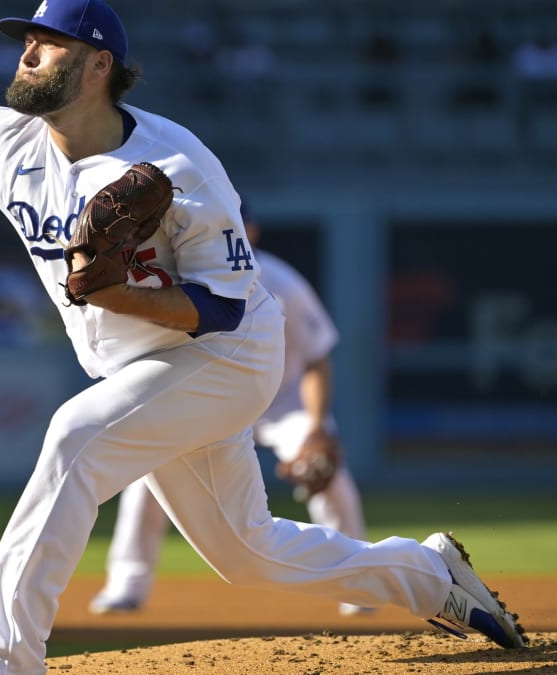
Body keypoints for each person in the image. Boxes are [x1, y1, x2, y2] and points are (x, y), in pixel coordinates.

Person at [0, 1, 527, 673]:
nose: (25, 52)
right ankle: (429, 573)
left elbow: (222, 308)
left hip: (225, 357)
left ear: (98, 63)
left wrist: (120, 288)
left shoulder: (180, 166)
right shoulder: (0, 141)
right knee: (249, 555)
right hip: (142, 369)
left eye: (44, 41)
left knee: (74, 437)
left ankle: (4, 660)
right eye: (23, 40)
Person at [89, 203, 373, 618]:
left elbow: (316, 360)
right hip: (211, 400)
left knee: (331, 479)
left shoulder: (282, 282)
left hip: (283, 403)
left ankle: (357, 584)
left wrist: (316, 426)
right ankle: (126, 585)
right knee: (148, 480)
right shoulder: (181, 277)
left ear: (252, 232)